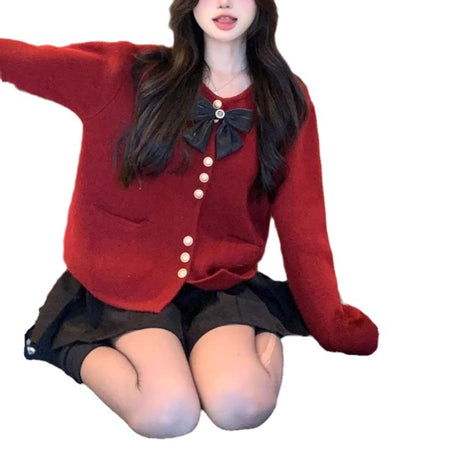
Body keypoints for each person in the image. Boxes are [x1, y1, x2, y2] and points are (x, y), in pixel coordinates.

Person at [0, 0, 378, 440]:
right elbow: (26, 61)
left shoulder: (285, 99)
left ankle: (253, 329)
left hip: (220, 286)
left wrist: (331, 324)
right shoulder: (126, 74)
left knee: (242, 406)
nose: (224, 2)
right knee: (167, 415)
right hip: (126, 285)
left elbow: (304, 225)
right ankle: (70, 342)